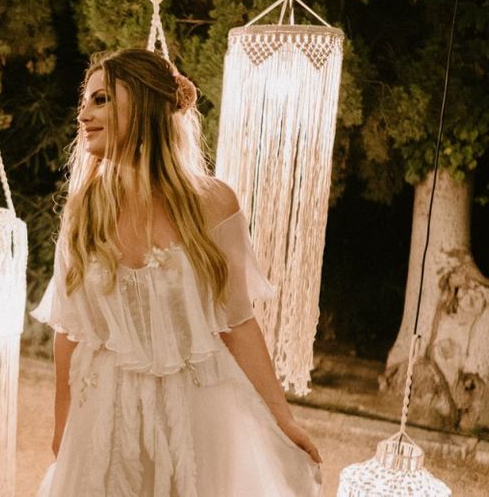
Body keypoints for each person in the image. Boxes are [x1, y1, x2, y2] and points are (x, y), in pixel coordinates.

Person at [33, 48, 321, 495]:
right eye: (84, 103)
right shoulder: (83, 210)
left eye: (101, 100)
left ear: (145, 105)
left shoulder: (213, 203)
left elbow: (238, 323)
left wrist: (283, 418)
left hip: (200, 412)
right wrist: (62, 427)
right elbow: (69, 333)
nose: (84, 115)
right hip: (106, 418)